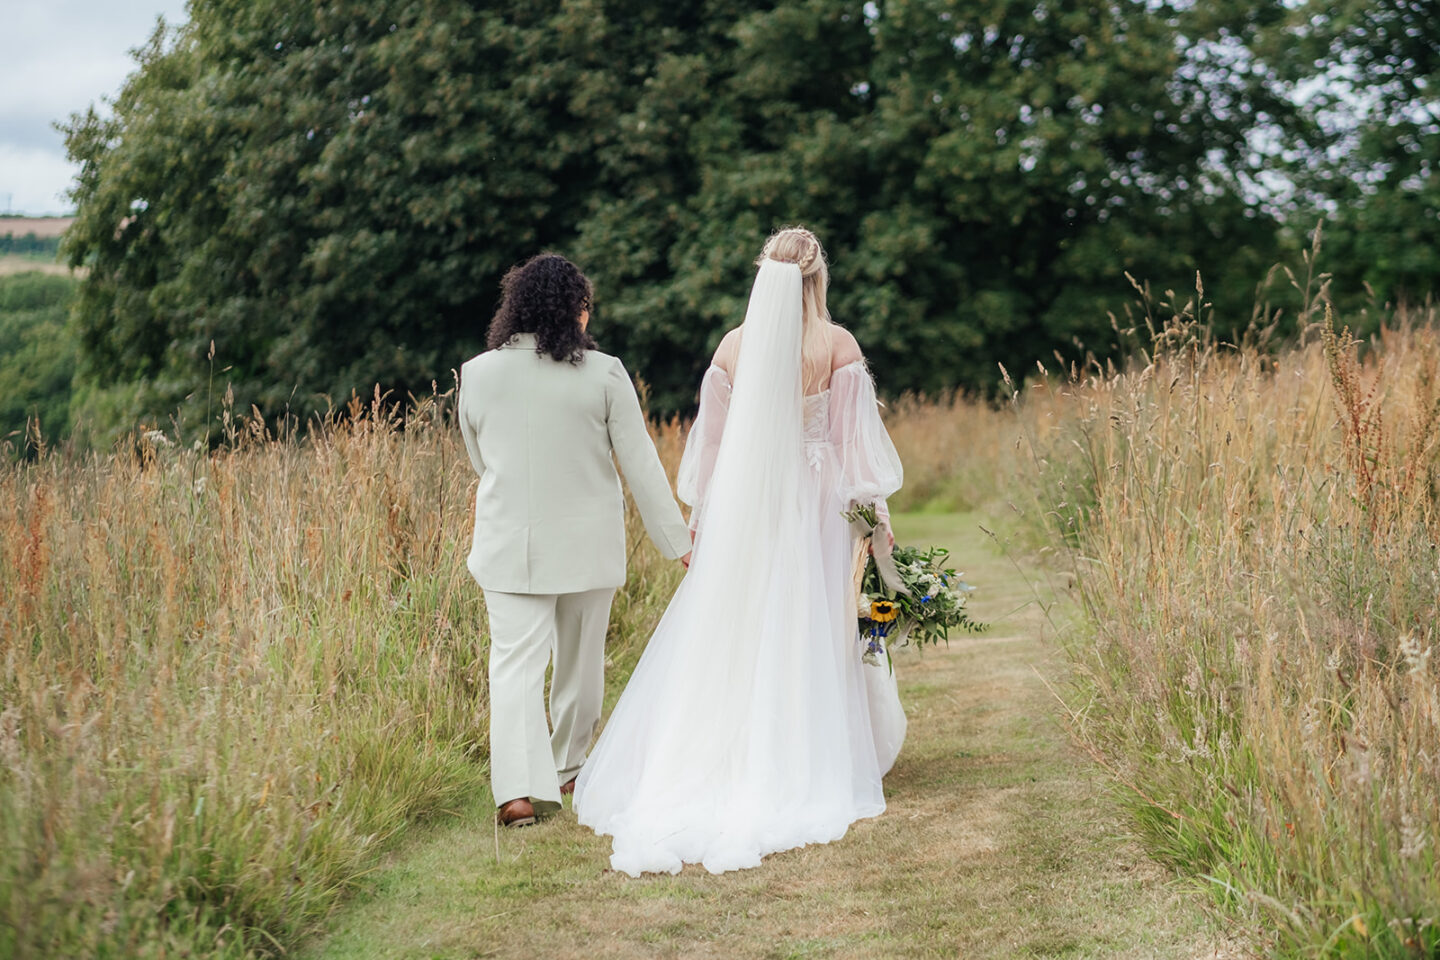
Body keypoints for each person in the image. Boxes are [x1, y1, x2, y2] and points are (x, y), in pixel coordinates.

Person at [574, 226, 907, 875]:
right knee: (811, 626)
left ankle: (723, 753)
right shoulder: (836, 346)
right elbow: (853, 453)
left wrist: (704, 518)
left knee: (738, 628)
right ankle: (804, 754)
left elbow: (714, 449)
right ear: (818, 278)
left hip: (747, 511)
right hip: (818, 509)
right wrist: (876, 523)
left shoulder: (733, 347)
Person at [457, 253, 692, 828]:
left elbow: (478, 458)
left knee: (512, 666)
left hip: (509, 542)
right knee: (581, 665)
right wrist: (679, 543)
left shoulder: (477, 373)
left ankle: (515, 793)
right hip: (587, 546)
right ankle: (566, 767)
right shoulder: (605, 372)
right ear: (574, 310)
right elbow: (641, 465)